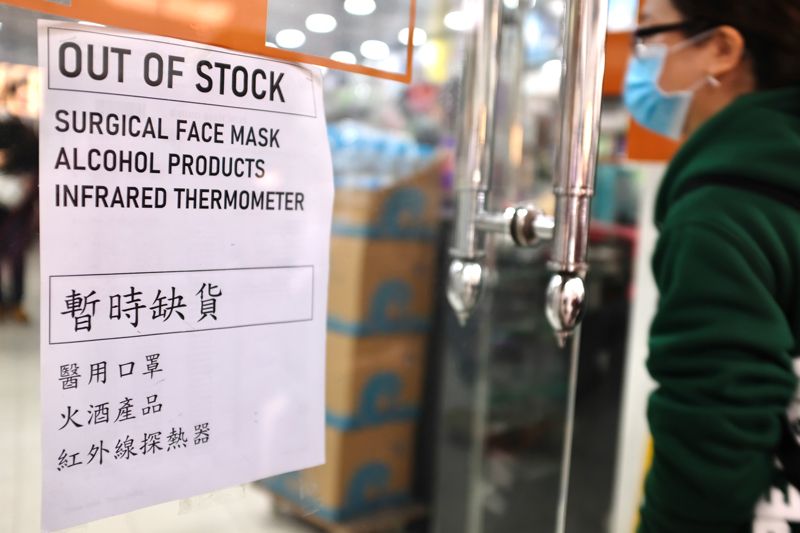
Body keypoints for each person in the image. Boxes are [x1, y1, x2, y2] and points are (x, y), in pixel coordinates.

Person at [623, 0, 800, 531]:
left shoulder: (722, 209)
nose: (641, 58)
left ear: (721, 49)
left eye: (649, 33)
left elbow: (715, 421)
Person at [0, 79, 37, 323]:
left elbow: (36, 162)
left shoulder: (29, 129)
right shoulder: (5, 126)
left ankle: (16, 301)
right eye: (20, 96)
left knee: (17, 253)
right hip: (2, 195)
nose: (24, 101)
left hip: (22, 200)